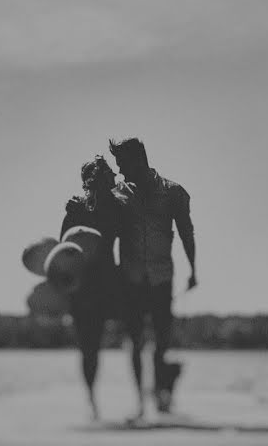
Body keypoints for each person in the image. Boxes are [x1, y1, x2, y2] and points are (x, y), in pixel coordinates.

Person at [109, 137, 197, 418]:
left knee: (161, 341)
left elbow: (186, 233)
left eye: (123, 164)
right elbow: (104, 230)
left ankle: (161, 393)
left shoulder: (174, 193)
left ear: (139, 160)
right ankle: (139, 403)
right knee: (135, 341)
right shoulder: (117, 194)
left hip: (162, 277)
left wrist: (194, 270)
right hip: (130, 278)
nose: (120, 171)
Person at [60, 155, 125, 421]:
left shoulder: (118, 209)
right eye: (110, 175)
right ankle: (91, 398)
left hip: (109, 282)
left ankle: (148, 393)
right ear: (95, 181)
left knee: (120, 335)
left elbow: (132, 241)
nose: (115, 178)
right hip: (83, 286)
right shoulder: (75, 211)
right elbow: (62, 251)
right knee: (90, 346)